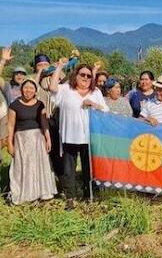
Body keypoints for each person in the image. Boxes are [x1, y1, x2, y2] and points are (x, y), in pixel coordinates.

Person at [50, 62, 109, 210]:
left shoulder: (96, 92)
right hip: (69, 136)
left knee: (89, 168)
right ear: (75, 76)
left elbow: (106, 111)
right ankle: (70, 197)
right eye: (82, 74)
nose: (85, 78)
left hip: (89, 137)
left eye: (89, 76)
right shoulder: (66, 89)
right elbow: (52, 88)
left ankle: (89, 194)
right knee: (68, 169)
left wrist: (94, 105)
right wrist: (58, 68)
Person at [7, 79, 57, 205]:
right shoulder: (14, 105)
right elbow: (10, 126)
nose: (28, 90)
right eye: (26, 87)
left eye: (31, 88)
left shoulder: (40, 104)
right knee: (23, 165)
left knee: (39, 165)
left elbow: (44, 123)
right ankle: (25, 194)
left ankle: (42, 192)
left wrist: (48, 139)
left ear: (35, 90)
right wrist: (10, 143)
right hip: (21, 140)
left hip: (37, 138)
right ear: (21, 89)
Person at [32, 54, 65, 179]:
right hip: (41, 117)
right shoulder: (35, 79)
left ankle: (62, 177)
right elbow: (32, 88)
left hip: (58, 116)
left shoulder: (58, 75)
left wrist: (57, 69)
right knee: (46, 149)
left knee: (59, 149)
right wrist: (40, 73)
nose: (43, 67)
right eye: (39, 65)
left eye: (45, 64)